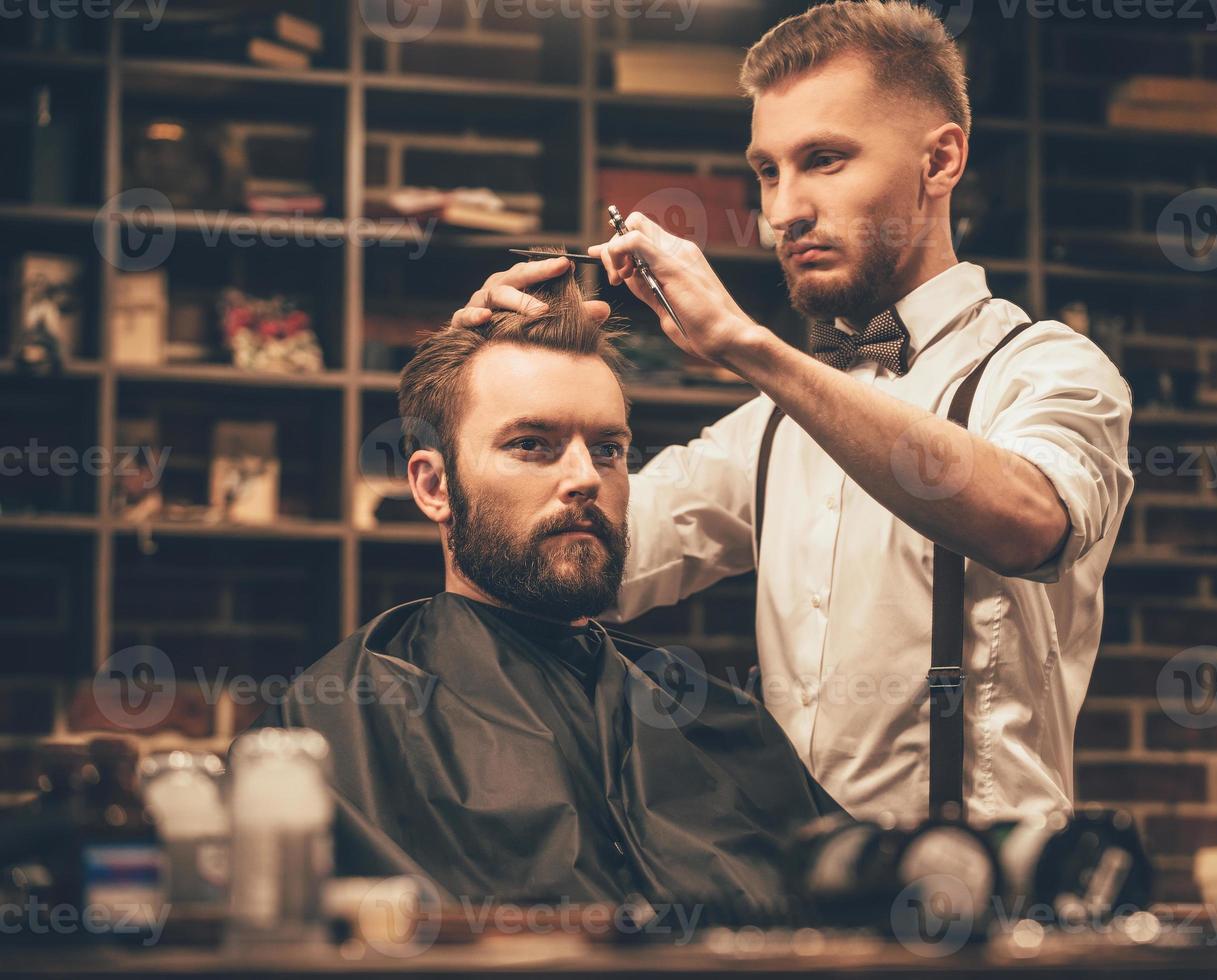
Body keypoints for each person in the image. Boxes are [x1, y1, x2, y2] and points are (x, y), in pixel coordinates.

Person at [454, 1, 1134, 826]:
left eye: (824, 160)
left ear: (941, 159)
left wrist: (751, 348)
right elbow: (577, 561)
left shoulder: (1047, 367)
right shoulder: (769, 428)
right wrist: (487, 390)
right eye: (768, 172)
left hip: (991, 904)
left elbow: (1031, 524)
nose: (782, 211)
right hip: (804, 900)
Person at [242, 269, 839, 917]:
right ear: (433, 487)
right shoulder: (345, 722)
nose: (585, 476)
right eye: (531, 445)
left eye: (608, 449)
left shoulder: (717, 722)